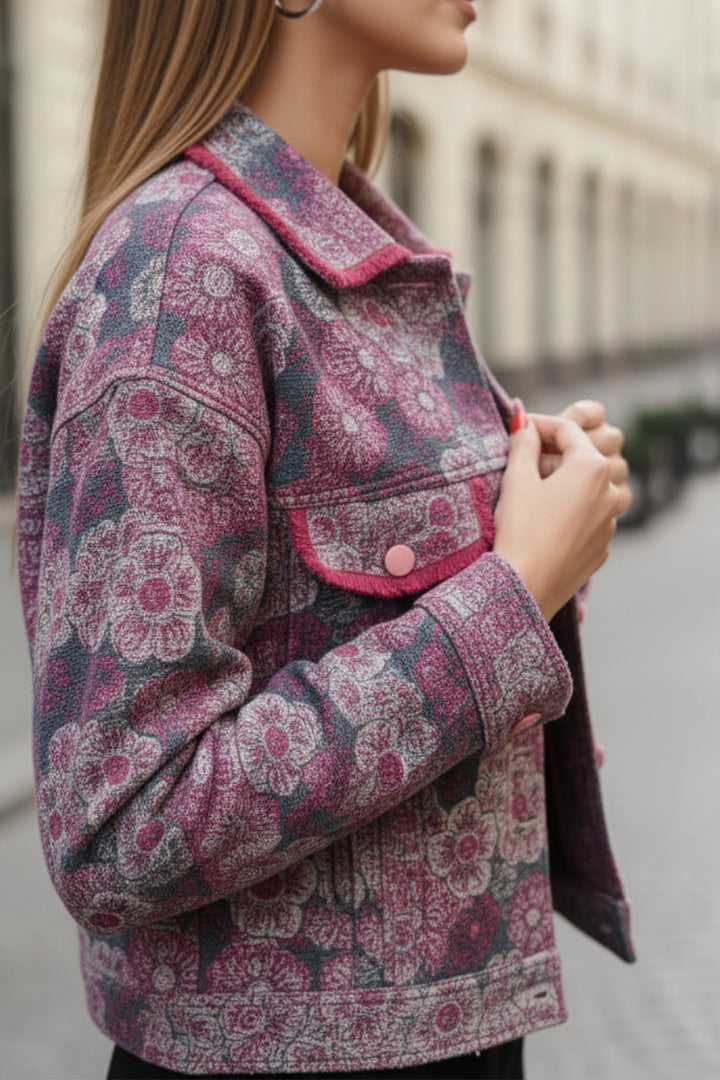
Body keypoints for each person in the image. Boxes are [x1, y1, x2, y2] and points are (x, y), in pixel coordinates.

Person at [15, 2, 635, 1077]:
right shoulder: (176, 282)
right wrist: (511, 592)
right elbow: (121, 826)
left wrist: (532, 511)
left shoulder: (348, 258)